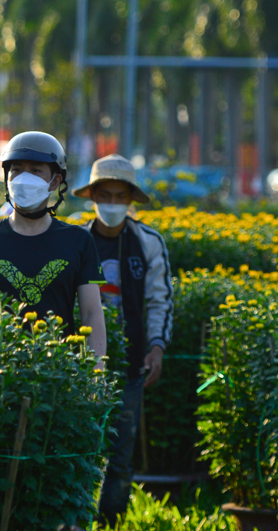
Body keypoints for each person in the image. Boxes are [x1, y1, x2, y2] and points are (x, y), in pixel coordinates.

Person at [72, 153, 173, 526]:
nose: (112, 204)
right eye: (105, 195)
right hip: (79, 363)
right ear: (93, 196)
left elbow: (160, 298)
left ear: (131, 200)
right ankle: (75, 517)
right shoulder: (75, 239)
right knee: (78, 447)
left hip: (129, 363)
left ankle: (109, 521)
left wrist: (157, 347)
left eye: (120, 196)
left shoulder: (148, 242)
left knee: (120, 453)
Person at [0, 131, 107, 365]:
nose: (24, 177)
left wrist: (97, 372)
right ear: (7, 177)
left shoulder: (78, 241)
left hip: (55, 373)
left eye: (35, 170)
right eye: (16, 169)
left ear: (54, 181)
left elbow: (92, 313)